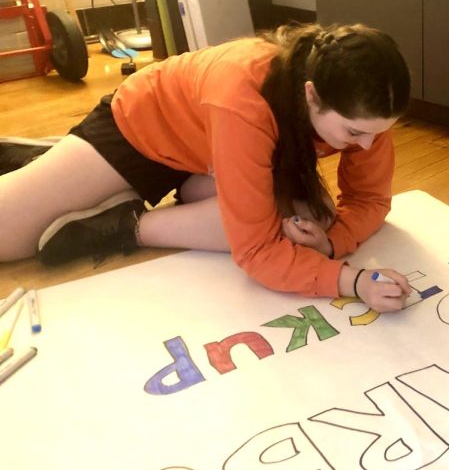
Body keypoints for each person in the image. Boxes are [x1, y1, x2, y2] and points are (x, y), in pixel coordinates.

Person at [0, 22, 415, 313]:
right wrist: (352, 281)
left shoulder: (364, 110)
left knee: (315, 220)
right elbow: (255, 252)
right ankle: (62, 165)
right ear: (312, 95)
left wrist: (330, 244)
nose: (368, 145)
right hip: (143, 134)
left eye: (378, 133)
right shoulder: (242, 98)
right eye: (353, 132)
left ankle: (114, 220)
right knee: (7, 238)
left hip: (212, 154)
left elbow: (369, 199)